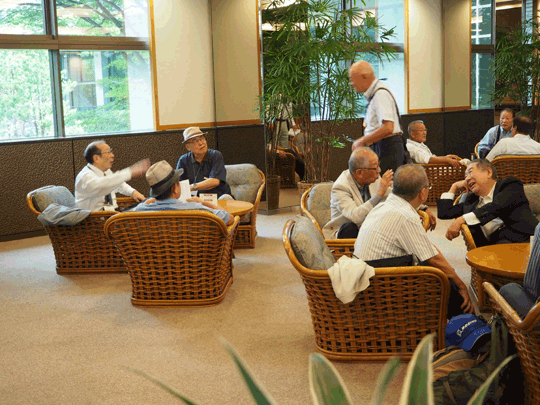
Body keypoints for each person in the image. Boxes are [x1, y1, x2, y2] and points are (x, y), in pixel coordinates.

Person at [354, 164, 473, 318]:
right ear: (422, 193)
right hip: (381, 288)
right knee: (442, 279)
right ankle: (467, 324)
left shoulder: (383, 206)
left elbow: (427, 248)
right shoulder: (405, 216)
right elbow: (433, 259)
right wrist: (461, 285)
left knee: (441, 271)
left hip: (366, 280)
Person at [437, 159, 538, 247]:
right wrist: (454, 187)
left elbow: (496, 207)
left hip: (528, 241)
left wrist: (461, 219)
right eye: (465, 176)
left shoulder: (510, 185)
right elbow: (444, 213)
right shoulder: (471, 200)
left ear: (488, 172)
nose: (467, 179)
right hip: (493, 250)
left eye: (470, 172)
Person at [132, 160, 233, 225]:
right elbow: (230, 219)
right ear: (175, 188)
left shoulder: (139, 211)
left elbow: (122, 216)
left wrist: (146, 203)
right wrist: (204, 203)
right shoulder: (198, 210)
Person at [323, 147, 393, 239]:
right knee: (350, 229)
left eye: (378, 165)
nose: (379, 170)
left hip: (370, 228)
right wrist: (379, 194)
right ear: (360, 172)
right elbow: (355, 217)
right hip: (345, 235)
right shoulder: (340, 187)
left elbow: (389, 194)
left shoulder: (372, 177)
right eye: (375, 167)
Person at [349, 60, 405, 175]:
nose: (351, 83)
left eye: (353, 79)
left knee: (385, 185)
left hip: (386, 149)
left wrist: (362, 141)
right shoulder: (375, 94)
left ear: (364, 76)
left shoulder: (380, 94)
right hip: (382, 147)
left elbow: (388, 127)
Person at [75, 140, 149, 211]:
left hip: (113, 213)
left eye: (111, 151)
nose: (112, 155)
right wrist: (130, 172)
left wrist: (133, 192)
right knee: (148, 206)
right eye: (108, 152)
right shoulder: (85, 176)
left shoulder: (106, 171)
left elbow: (118, 184)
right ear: (96, 158)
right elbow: (104, 185)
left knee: (149, 204)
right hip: (98, 217)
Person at [176, 127, 233, 199]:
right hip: (196, 200)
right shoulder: (183, 160)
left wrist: (192, 187)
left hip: (219, 198)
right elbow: (178, 184)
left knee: (226, 197)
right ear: (188, 147)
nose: (201, 143)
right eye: (194, 141)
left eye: (202, 138)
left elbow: (215, 181)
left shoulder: (216, 155)